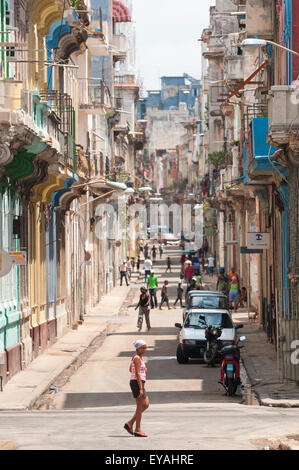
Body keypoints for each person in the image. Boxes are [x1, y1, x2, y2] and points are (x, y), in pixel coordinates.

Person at [124, 340, 149, 438]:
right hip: (137, 383)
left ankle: (130, 423)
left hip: (138, 382)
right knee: (139, 407)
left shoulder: (137, 357)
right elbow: (137, 373)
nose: (145, 350)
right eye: (143, 348)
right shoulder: (137, 358)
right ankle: (137, 430)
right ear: (138, 348)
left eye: (146, 347)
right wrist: (141, 389)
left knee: (145, 405)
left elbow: (131, 369)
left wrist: (143, 369)